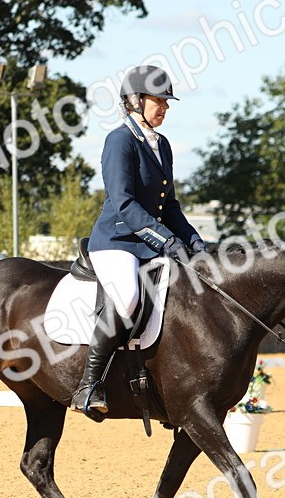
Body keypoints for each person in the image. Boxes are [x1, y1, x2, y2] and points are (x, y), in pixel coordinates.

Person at [70, 65, 206, 417]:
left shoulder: (162, 145)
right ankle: (89, 385)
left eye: (166, 101)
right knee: (128, 296)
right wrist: (166, 241)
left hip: (148, 242)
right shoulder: (120, 140)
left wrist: (195, 242)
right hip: (116, 241)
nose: (165, 107)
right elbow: (124, 202)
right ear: (134, 100)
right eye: (158, 100)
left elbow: (169, 206)